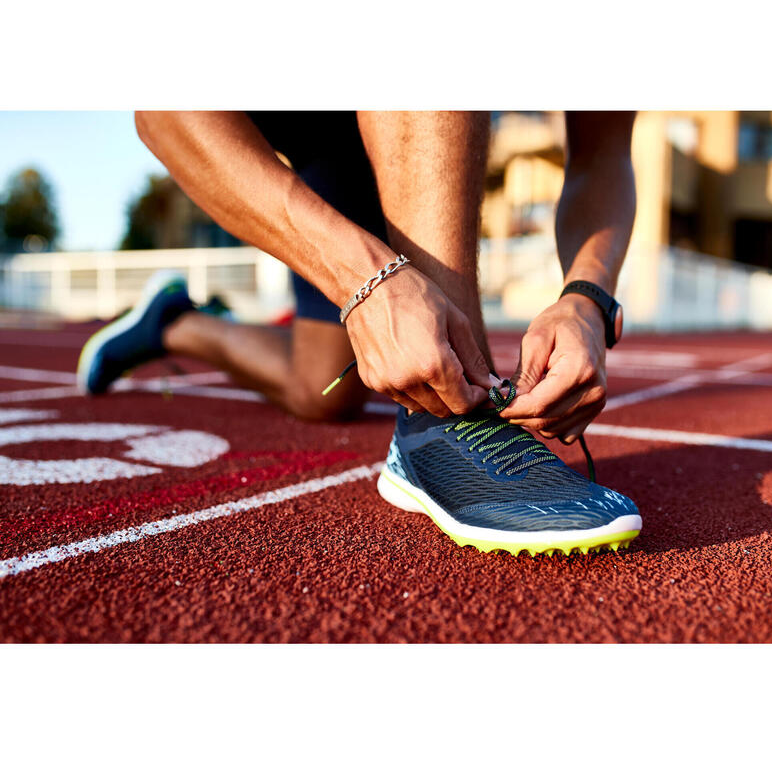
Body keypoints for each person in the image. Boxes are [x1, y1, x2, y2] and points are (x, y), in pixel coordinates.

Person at [78, 111, 641, 556]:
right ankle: (445, 422)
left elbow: (603, 155)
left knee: (323, 387)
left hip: (391, 136)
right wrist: (364, 280)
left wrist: (586, 300)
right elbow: (163, 115)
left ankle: (174, 324)